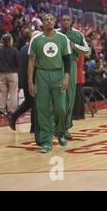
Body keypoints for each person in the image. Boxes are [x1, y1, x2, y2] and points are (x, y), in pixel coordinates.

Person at [28, 14, 71, 153]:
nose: (49, 21)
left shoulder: (62, 38)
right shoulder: (36, 40)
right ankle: (46, 141)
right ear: (43, 23)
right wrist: (30, 82)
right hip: (42, 75)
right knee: (43, 109)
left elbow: (67, 59)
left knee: (61, 109)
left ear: (54, 22)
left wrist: (66, 77)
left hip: (58, 74)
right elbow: (31, 62)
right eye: (46, 20)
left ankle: (60, 132)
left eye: (51, 19)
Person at [57, 14, 90, 138]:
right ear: (60, 22)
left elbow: (87, 50)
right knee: (59, 97)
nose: (65, 22)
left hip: (72, 65)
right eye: (63, 20)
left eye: (67, 20)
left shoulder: (77, 34)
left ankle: (66, 126)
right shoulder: (56, 33)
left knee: (70, 97)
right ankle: (57, 126)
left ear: (71, 22)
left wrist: (74, 46)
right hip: (57, 66)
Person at [8, 30, 40, 132]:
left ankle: (13, 116)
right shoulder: (35, 50)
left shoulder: (23, 48)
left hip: (24, 80)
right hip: (32, 80)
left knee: (28, 103)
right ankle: (34, 128)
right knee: (35, 104)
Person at [0, 33, 19, 117]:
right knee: (13, 92)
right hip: (12, 73)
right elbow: (18, 63)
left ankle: (2, 110)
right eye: (12, 39)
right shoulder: (14, 50)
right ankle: (11, 111)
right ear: (9, 41)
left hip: (1, 74)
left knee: (2, 93)